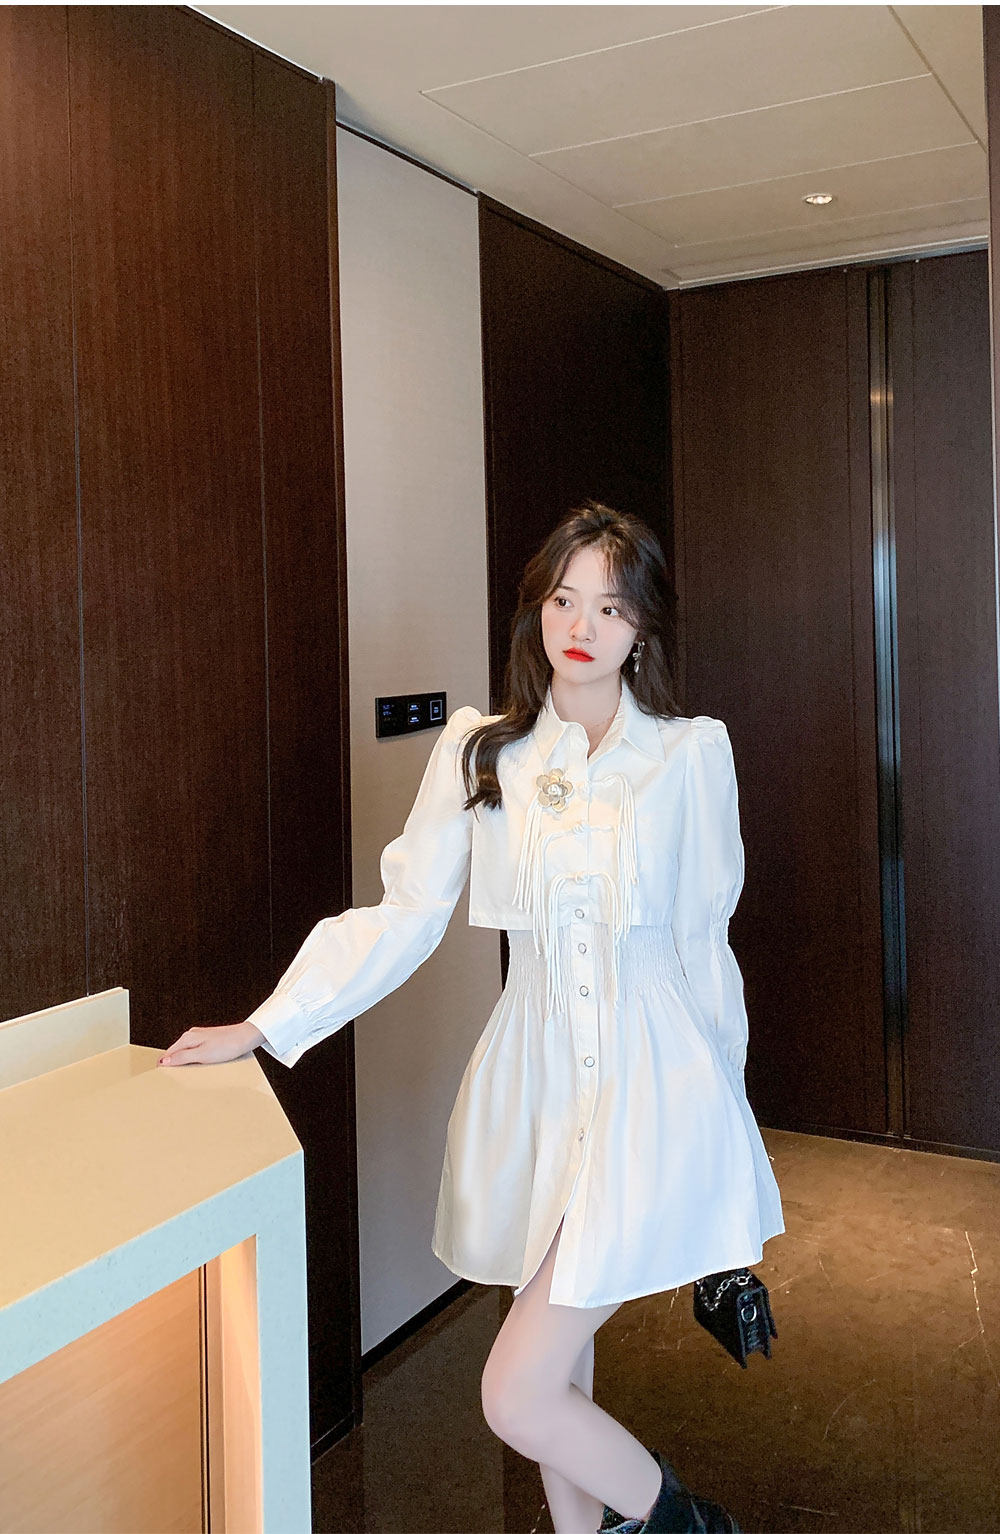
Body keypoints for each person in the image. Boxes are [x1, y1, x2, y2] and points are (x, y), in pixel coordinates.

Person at [159, 502, 784, 1534]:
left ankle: (686, 1524)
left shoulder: (688, 754)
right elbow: (404, 914)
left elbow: (703, 948)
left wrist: (730, 1147)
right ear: (536, 608)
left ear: (642, 628)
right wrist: (267, 1024)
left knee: (515, 1390)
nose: (582, 625)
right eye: (564, 599)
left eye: (611, 606)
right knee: (560, 1368)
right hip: (535, 1083)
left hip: (656, 1083)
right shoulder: (480, 754)